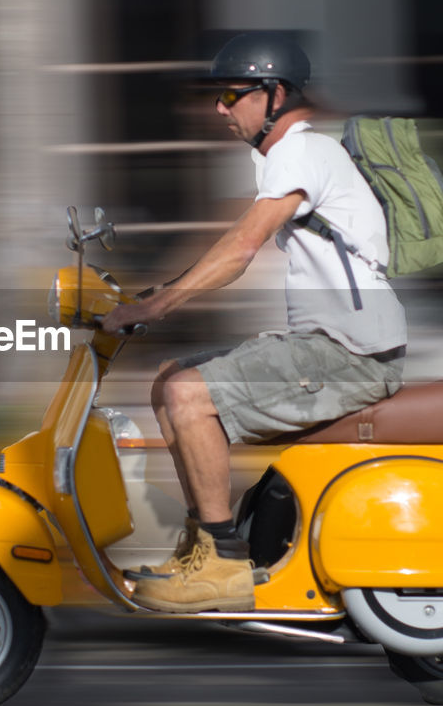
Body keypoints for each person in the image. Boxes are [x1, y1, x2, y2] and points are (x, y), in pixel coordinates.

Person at [100, 31, 408, 613]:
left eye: (233, 93)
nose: (220, 107)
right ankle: (202, 547)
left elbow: (242, 248)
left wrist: (154, 307)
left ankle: (222, 564)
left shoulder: (301, 150)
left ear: (275, 95)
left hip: (352, 355)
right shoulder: (288, 157)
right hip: (331, 346)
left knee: (190, 394)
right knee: (169, 381)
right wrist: (157, 292)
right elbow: (225, 244)